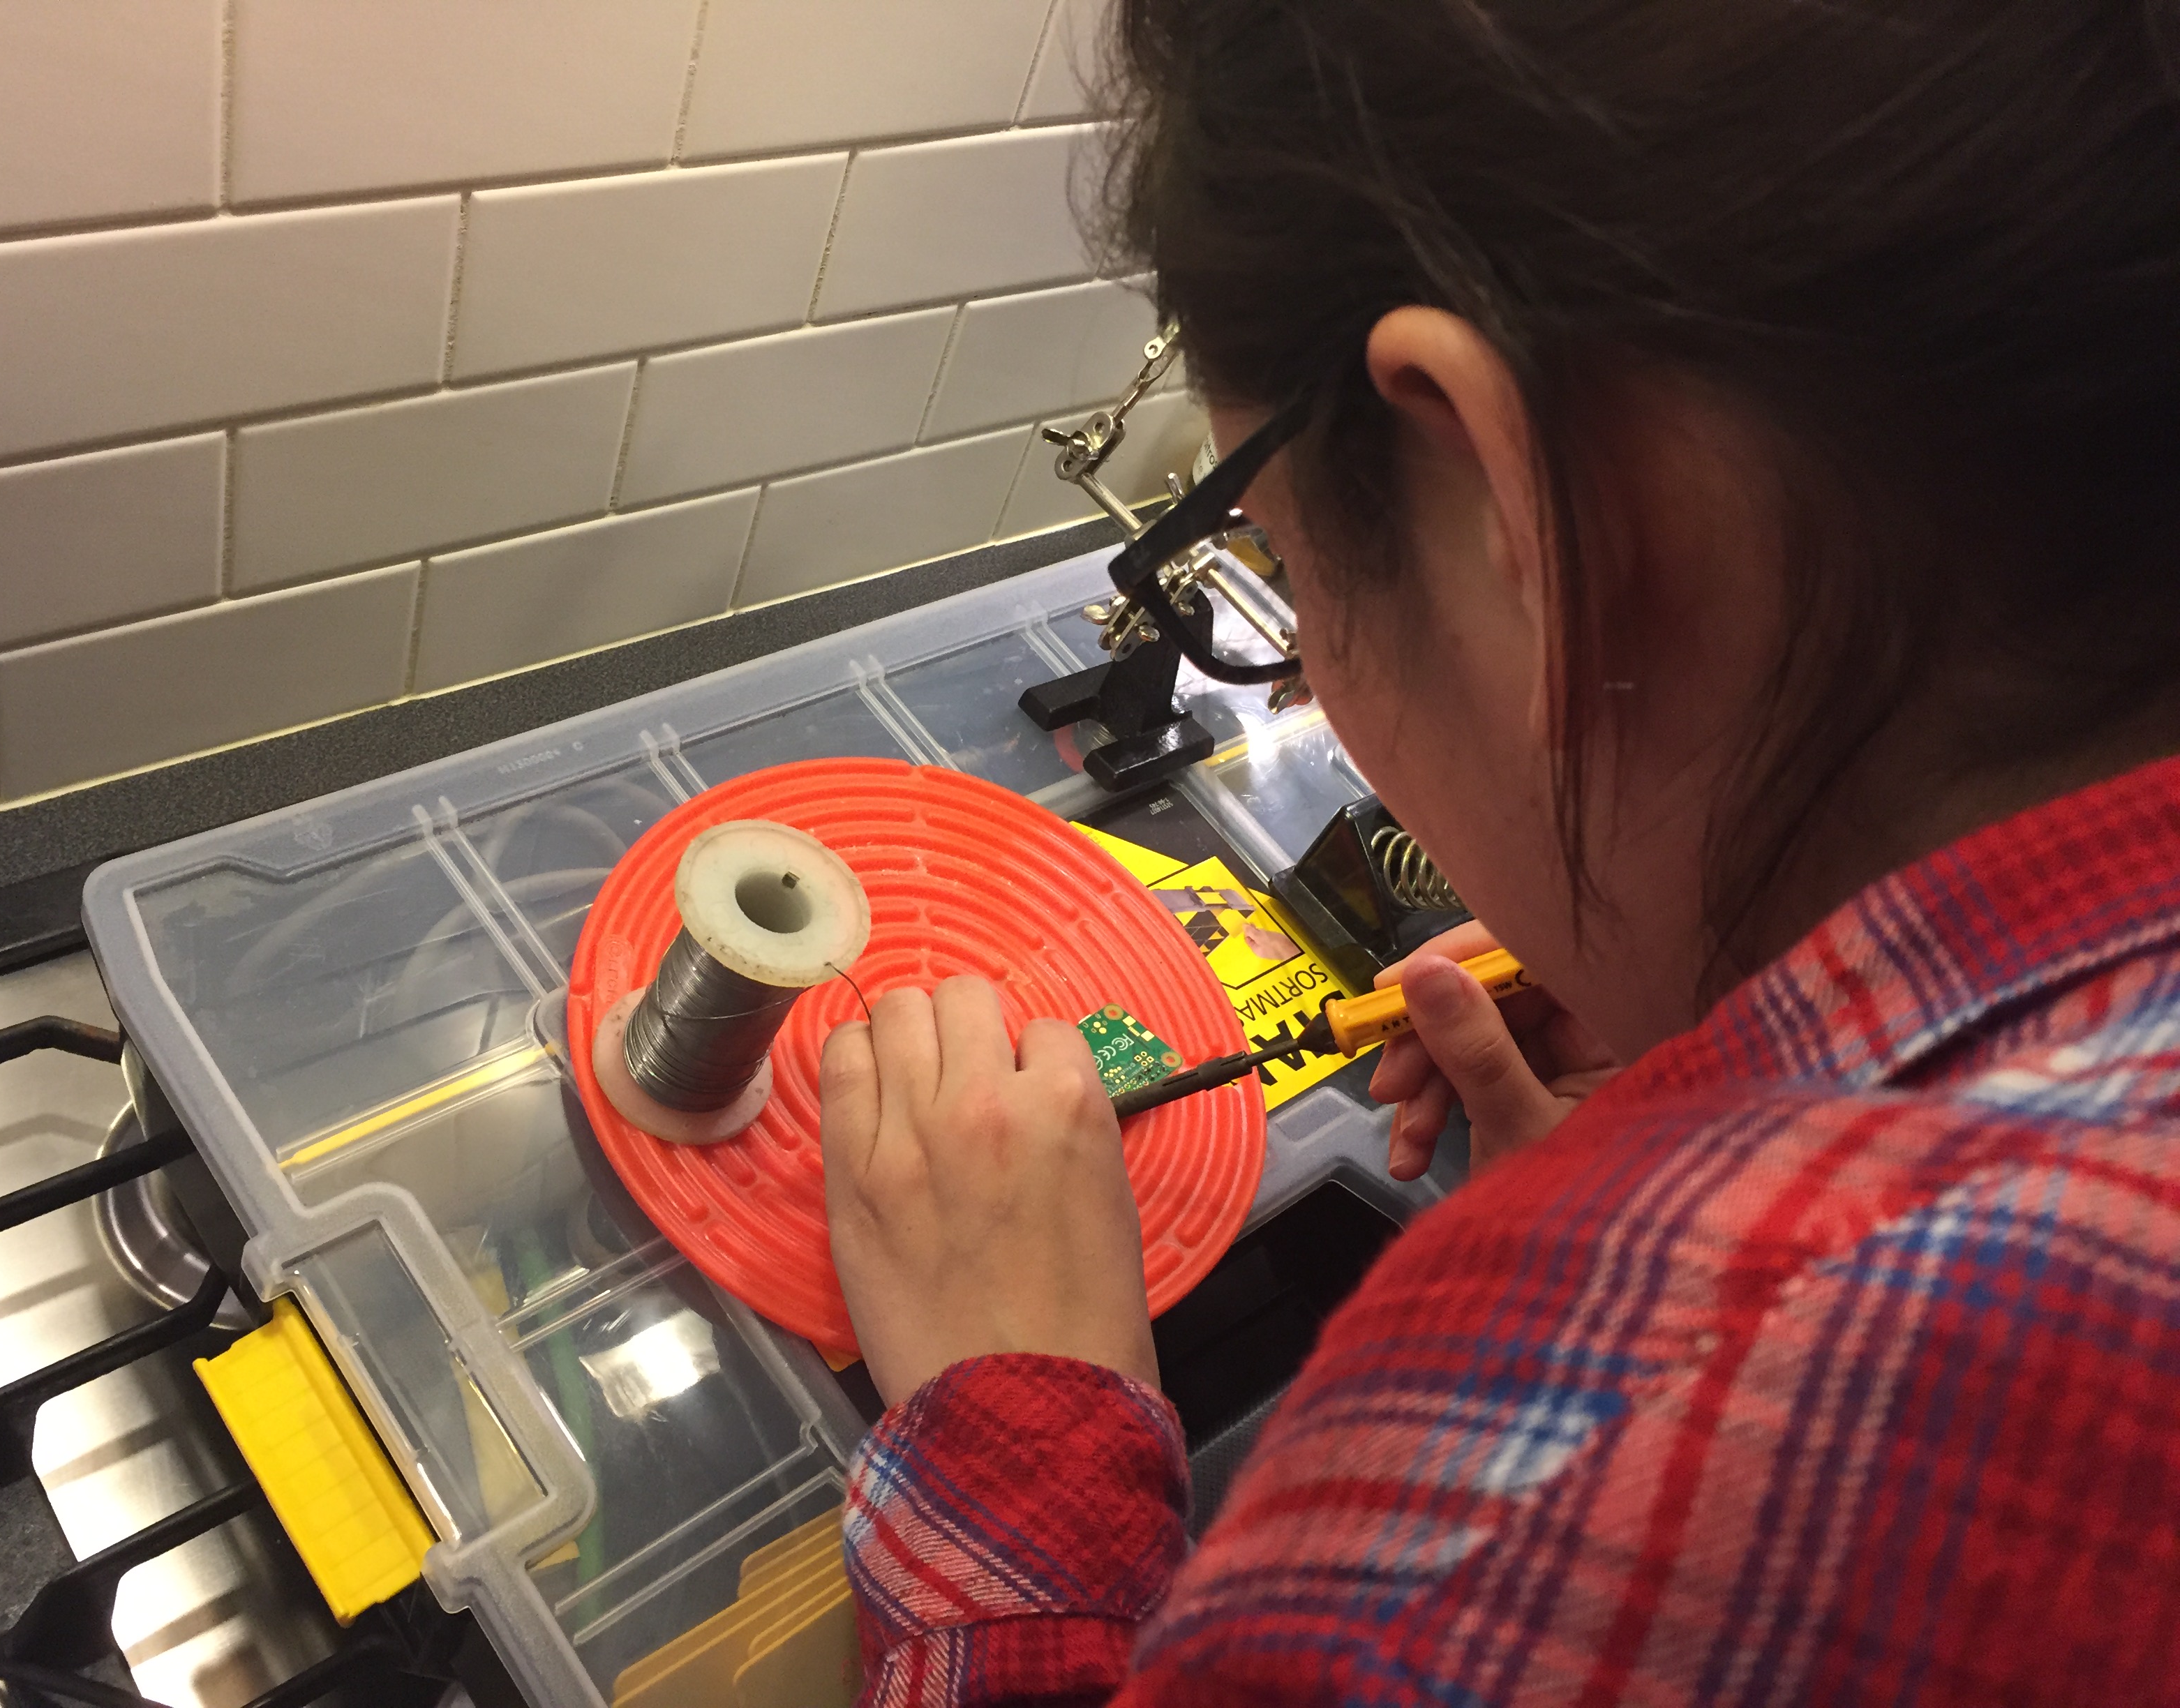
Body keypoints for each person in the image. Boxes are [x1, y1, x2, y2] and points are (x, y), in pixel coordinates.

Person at [817, 0, 2180, 1700]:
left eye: (1282, 572)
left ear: (1506, 499)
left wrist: (1021, 1434)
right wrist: (1724, 1084)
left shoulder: (1527, 1508)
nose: (1307, 652)